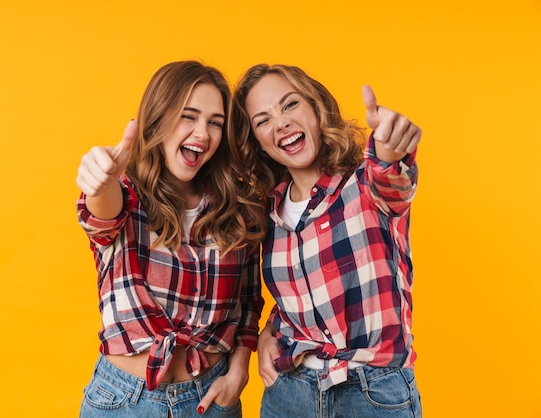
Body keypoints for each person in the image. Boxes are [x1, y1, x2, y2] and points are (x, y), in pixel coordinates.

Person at [230, 64, 423, 417]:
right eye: (263, 120)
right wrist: (269, 330)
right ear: (256, 141)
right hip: (289, 394)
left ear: (316, 107)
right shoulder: (268, 214)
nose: (281, 123)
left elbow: (391, 175)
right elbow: (304, 292)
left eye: (290, 105)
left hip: (371, 392)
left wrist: (390, 149)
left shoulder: (366, 187)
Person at [75, 61, 266, 418]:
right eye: (187, 116)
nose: (202, 133)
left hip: (209, 401)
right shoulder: (128, 196)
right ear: (158, 118)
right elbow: (101, 215)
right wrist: (99, 181)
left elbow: (247, 303)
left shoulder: (235, 209)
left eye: (215, 122)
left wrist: (238, 372)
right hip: (125, 402)